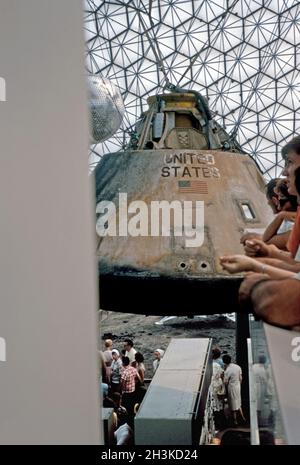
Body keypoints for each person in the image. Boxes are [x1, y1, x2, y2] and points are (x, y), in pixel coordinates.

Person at [222, 354, 245, 426]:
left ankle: (235, 421)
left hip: (231, 388)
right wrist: (238, 384)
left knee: (233, 405)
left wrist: (222, 377)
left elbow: (225, 382)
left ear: (224, 362)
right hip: (238, 386)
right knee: (238, 402)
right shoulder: (237, 367)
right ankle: (243, 418)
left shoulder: (228, 370)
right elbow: (240, 378)